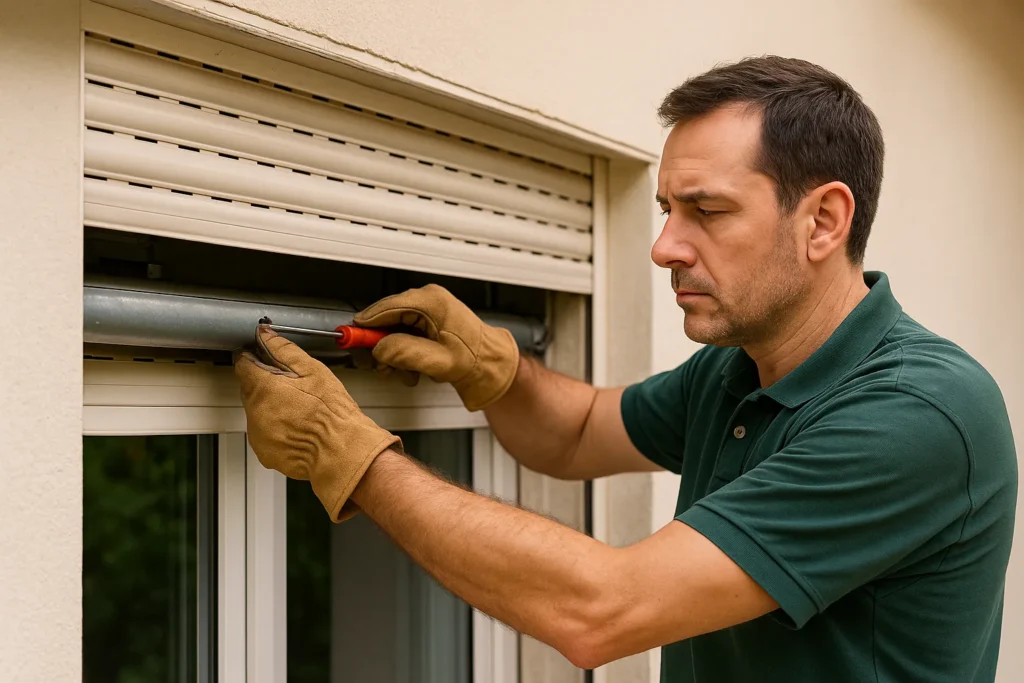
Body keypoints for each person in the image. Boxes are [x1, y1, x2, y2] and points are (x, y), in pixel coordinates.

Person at [234, 56, 1018, 682]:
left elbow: (600, 611)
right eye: (667, 209)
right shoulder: (737, 369)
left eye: (706, 211)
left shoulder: (917, 414)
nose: (665, 246)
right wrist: (495, 370)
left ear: (823, 220)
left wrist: (352, 457)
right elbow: (578, 432)